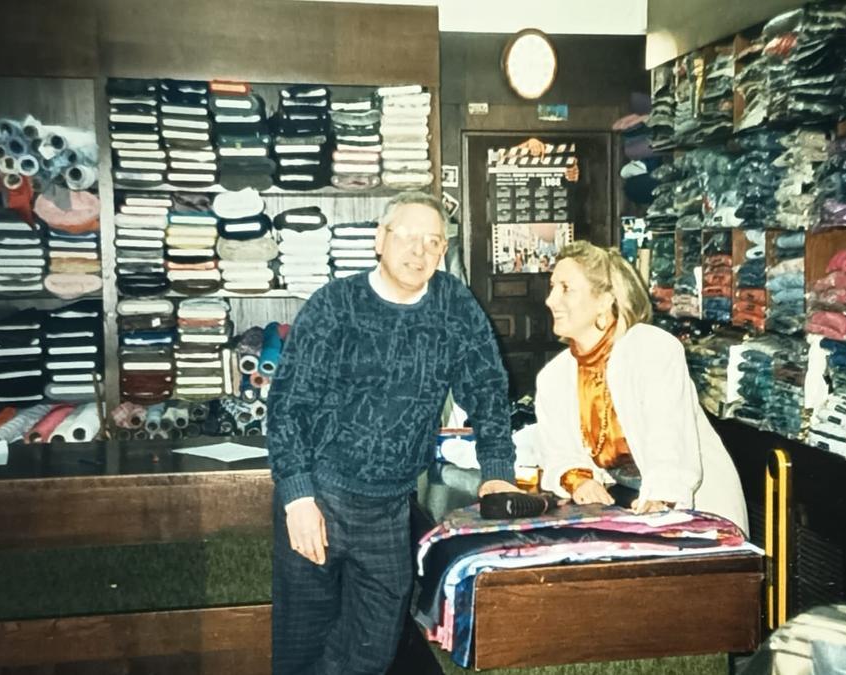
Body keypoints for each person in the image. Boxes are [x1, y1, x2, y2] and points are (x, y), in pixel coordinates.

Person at [268, 191, 519, 675]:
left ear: (443, 252)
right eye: (407, 236)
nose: (419, 251)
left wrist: (497, 470)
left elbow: (488, 389)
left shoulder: (453, 306)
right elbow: (287, 407)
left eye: (433, 241)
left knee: (373, 649)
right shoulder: (334, 306)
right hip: (320, 497)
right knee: (303, 642)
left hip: (389, 509)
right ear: (379, 241)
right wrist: (297, 497)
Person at [534, 241, 748, 531]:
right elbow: (557, 452)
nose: (550, 300)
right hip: (626, 505)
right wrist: (579, 478)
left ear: (604, 299)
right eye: (552, 287)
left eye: (565, 288)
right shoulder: (554, 377)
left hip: (697, 504)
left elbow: (669, 442)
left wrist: (662, 498)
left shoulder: (653, 350)